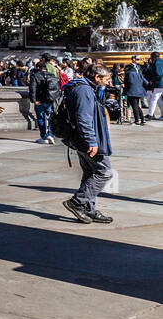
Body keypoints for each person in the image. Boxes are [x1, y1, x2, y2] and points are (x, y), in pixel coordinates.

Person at [62, 64, 114, 224]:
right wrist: (91, 140)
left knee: (90, 172)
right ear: (97, 77)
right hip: (87, 139)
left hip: (81, 138)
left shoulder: (83, 86)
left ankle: (88, 209)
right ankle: (77, 202)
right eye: (106, 79)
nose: (107, 83)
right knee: (104, 172)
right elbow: (83, 117)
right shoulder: (84, 90)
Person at [28, 54, 59, 145]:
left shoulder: (35, 75)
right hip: (50, 100)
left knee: (41, 118)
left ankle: (44, 137)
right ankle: (50, 134)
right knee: (50, 118)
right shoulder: (51, 75)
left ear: (38, 67)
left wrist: (33, 100)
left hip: (40, 100)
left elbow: (32, 88)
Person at [123, 56, 147, 126]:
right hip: (138, 89)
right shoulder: (129, 67)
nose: (138, 60)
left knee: (134, 105)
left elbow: (127, 80)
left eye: (138, 59)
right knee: (136, 105)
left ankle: (137, 120)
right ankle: (142, 119)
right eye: (137, 59)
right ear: (133, 59)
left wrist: (145, 62)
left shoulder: (135, 70)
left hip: (132, 90)